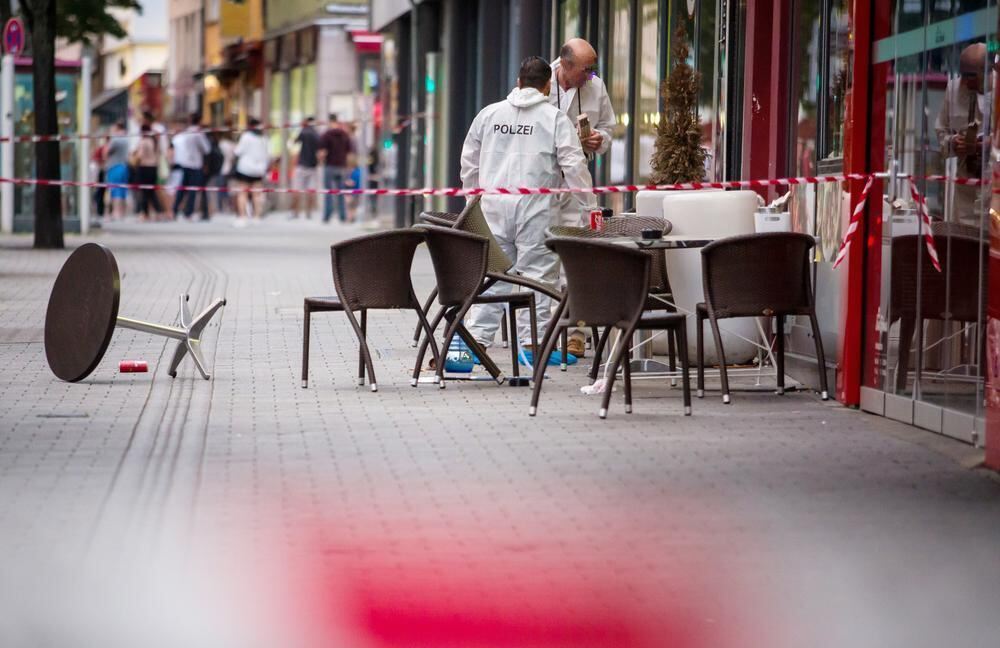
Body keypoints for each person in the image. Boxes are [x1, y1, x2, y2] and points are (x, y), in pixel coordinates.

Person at [460, 55, 596, 361]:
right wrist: (590, 208)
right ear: (547, 86)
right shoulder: (554, 119)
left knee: (493, 275)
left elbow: (469, 162)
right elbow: (574, 167)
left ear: (518, 82)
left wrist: (472, 200)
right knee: (538, 278)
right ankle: (533, 347)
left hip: (493, 208)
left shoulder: (489, 114)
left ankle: (476, 343)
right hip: (536, 210)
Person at [549, 38, 617, 358]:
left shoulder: (595, 86)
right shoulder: (541, 85)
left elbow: (609, 128)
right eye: (586, 69)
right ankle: (546, 329)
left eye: (593, 69)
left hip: (577, 184)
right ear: (566, 66)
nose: (590, 75)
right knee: (546, 260)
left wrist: (599, 140)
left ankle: (575, 332)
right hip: (544, 186)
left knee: (575, 258)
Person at [935, 42, 992, 224]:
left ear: (986, 71)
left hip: (993, 184)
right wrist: (952, 143)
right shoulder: (953, 89)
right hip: (965, 186)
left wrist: (990, 144)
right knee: (963, 236)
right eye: (962, 74)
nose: (965, 81)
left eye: (970, 75)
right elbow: (941, 130)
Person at [171, 113, 211, 221]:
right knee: (193, 189)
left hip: (186, 163)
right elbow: (207, 149)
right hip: (195, 164)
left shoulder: (186, 132)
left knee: (182, 189)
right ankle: (188, 212)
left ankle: (175, 210)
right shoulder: (198, 133)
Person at [232, 117, 270, 226]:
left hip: (245, 169)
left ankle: (243, 217)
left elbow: (237, 151)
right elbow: (268, 155)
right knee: (257, 194)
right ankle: (257, 217)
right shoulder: (264, 138)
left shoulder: (246, 136)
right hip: (259, 170)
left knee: (242, 193)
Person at [318, 113, 355, 223]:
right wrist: (348, 167)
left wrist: (321, 162)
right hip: (342, 167)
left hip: (330, 166)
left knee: (328, 192)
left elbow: (322, 153)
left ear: (329, 121)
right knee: (341, 192)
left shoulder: (326, 135)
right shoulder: (344, 135)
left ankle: (327, 216)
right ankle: (342, 216)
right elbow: (349, 154)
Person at [133, 124, 165, 221]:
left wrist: (134, 156)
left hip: (144, 167)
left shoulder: (143, 141)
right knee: (151, 191)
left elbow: (140, 155)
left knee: (144, 192)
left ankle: (145, 214)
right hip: (153, 168)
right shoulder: (154, 141)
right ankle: (159, 212)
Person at [291, 116, 320, 219]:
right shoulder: (317, 134)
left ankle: (295, 212)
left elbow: (294, 142)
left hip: (302, 165)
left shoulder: (304, 132)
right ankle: (309, 213)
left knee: (296, 190)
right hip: (313, 166)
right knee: (311, 191)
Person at [104, 122, 131, 220]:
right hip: (124, 166)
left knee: (114, 190)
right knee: (122, 190)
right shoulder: (126, 139)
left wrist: (107, 142)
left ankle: (116, 212)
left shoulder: (115, 139)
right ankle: (122, 212)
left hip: (114, 166)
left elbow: (106, 153)